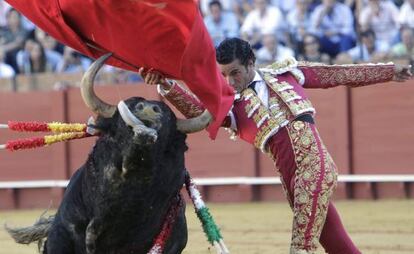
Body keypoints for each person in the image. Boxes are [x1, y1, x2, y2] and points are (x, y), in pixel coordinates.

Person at [139, 38, 412, 253]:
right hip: (290, 178)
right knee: (338, 245)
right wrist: (165, 85)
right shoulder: (231, 106)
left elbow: (337, 74)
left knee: (301, 247)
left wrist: (387, 71)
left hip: (313, 164)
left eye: (235, 73)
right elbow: (197, 111)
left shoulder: (287, 73)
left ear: (250, 62)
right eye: (223, 75)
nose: (230, 82)